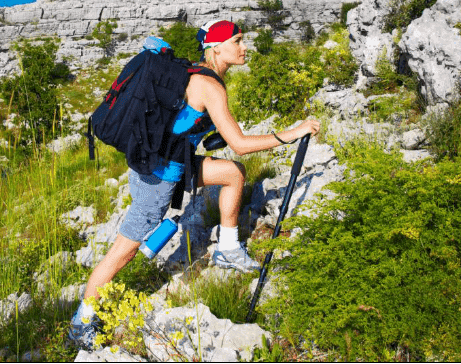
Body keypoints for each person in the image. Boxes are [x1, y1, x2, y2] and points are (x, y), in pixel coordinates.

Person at [69, 20, 320, 348]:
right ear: (217, 48)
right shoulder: (211, 86)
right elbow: (240, 142)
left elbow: (183, 122)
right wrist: (290, 133)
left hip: (165, 161)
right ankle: (81, 321)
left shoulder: (195, 73)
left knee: (233, 173)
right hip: (158, 179)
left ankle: (228, 249)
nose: (244, 48)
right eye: (237, 41)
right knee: (123, 253)